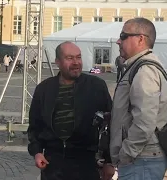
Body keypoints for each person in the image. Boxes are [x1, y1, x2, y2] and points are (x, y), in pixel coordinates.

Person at [27, 41, 113, 180]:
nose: (76, 62)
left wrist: (109, 161)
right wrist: (37, 152)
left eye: (78, 57)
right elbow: (35, 126)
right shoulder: (44, 89)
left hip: (87, 163)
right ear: (57, 62)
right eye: (69, 58)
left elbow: (111, 125)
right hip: (53, 163)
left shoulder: (96, 86)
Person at [108, 18, 167, 180]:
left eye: (123, 35)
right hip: (142, 159)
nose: (118, 41)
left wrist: (126, 153)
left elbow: (145, 121)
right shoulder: (139, 66)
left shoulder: (144, 71)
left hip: (141, 160)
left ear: (141, 39)